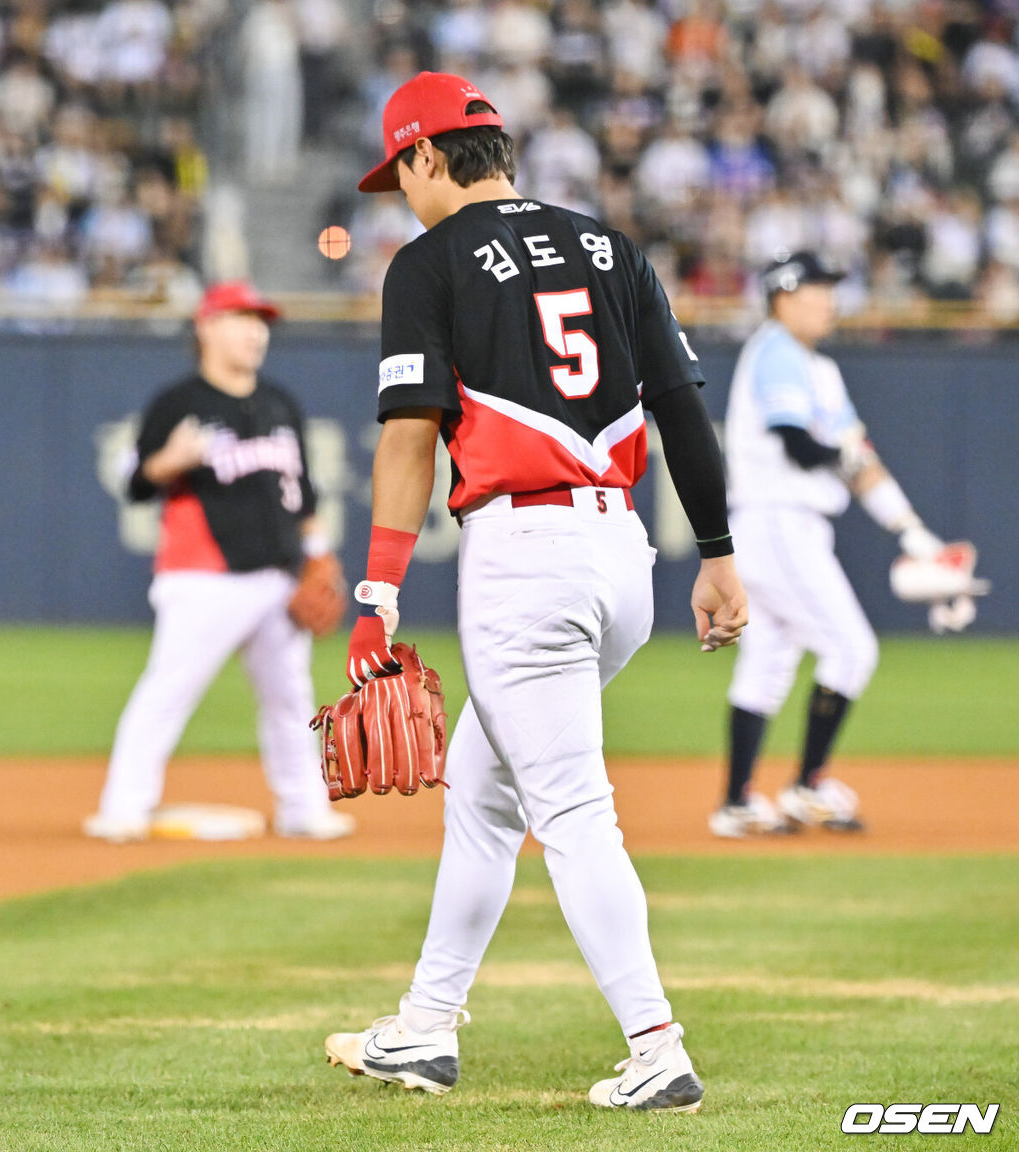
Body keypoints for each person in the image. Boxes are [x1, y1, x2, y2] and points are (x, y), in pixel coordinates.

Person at [321, 71, 747, 1111]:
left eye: (401, 173)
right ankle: (424, 1027)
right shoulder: (609, 246)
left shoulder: (428, 262)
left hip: (526, 558)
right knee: (481, 794)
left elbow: (410, 436)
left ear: (426, 155)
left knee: (569, 810)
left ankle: (656, 1045)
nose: (402, 195)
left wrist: (377, 590)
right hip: (622, 555)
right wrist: (720, 553)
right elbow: (682, 411)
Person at [83, 280, 354, 843]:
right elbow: (133, 482)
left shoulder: (280, 403)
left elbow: (302, 493)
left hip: (279, 576)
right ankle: (124, 807)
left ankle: (304, 808)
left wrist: (319, 555)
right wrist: (167, 461)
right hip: (203, 576)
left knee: (290, 699)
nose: (257, 331)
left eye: (262, 321)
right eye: (242, 318)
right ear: (207, 326)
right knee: (168, 691)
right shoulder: (178, 403)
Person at [709, 250, 944, 839]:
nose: (830, 300)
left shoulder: (821, 369)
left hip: (785, 526)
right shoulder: (776, 350)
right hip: (777, 519)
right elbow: (798, 444)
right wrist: (849, 456)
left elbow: (857, 463)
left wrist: (911, 531)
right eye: (818, 289)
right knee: (851, 648)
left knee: (768, 659)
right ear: (784, 295)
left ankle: (737, 802)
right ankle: (808, 786)